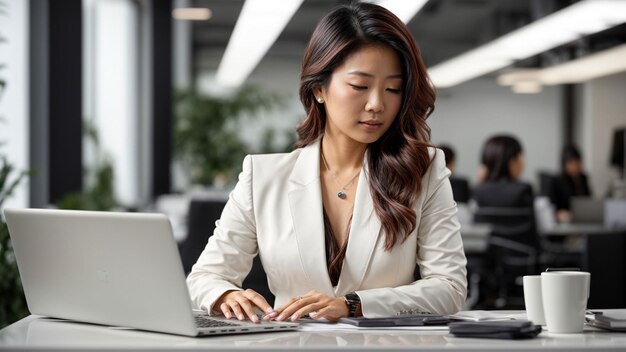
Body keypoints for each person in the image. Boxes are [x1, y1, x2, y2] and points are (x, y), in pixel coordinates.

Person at [186, 3, 467, 323]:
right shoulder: (264, 176)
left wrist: (352, 304)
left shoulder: (423, 169)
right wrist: (226, 294)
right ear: (319, 88)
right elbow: (204, 277)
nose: (377, 104)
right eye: (359, 86)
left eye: (393, 89)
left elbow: (450, 287)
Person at [552, 145, 592, 223]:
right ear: (564, 164)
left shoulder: (583, 178)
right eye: (571, 162)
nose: (574, 166)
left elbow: (589, 201)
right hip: (563, 222)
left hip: (582, 221)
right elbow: (552, 207)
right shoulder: (557, 181)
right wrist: (559, 213)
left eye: (577, 162)